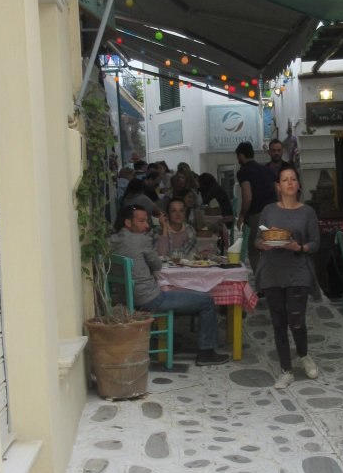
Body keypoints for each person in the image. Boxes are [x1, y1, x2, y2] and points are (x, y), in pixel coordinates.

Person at [111, 205, 229, 365]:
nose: (146, 225)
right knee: (206, 301)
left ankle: (163, 341)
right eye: (141, 221)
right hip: (150, 298)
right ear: (128, 222)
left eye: (146, 221)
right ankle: (206, 353)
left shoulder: (112, 240)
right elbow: (157, 265)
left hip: (127, 298)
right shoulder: (141, 239)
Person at [254, 163, 321, 389]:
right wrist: (264, 244)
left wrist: (298, 247)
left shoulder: (307, 212)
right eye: (285, 180)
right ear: (278, 186)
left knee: (296, 320)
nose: (289, 183)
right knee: (278, 322)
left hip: (298, 271)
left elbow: (315, 244)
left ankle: (304, 354)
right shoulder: (268, 210)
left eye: (293, 179)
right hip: (272, 272)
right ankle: (286, 370)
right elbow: (257, 240)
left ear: (298, 184)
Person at [235, 141, 278, 272]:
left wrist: (242, 216)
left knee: (254, 250)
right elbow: (278, 192)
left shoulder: (244, 172)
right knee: (272, 248)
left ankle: (261, 281)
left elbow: (247, 197)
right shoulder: (268, 170)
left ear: (241, 155)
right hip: (274, 213)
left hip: (257, 216)